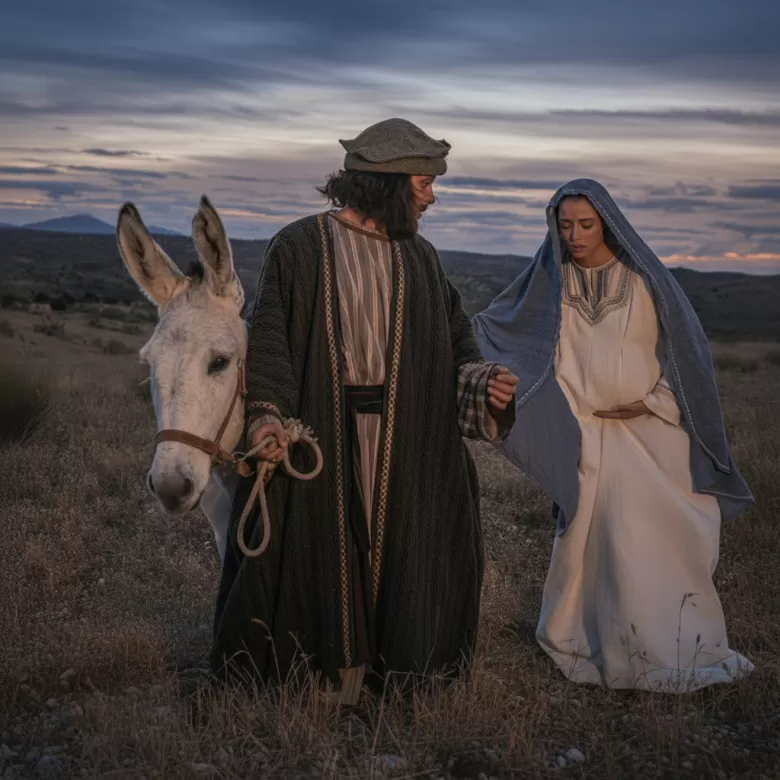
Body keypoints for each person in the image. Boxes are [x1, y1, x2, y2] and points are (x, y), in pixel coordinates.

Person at [210, 118, 519, 703]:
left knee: (403, 550)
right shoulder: (300, 246)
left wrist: (485, 382)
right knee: (321, 550)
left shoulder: (421, 259)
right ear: (387, 183)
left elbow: (456, 343)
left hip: (408, 437)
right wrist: (267, 418)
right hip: (321, 429)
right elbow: (271, 339)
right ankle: (322, 676)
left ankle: (392, 672)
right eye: (423, 182)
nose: (431, 195)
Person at [472, 178, 754, 693]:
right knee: (592, 544)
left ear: (607, 222)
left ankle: (664, 646)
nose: (575, 235)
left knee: (650, 542)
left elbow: (686, 357)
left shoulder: (646, 282)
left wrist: (654, 403)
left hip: (650, 435)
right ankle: (590, 640)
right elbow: (493, 328)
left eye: (586, 224)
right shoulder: (550, 287)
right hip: (586, 435)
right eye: (565, 225)